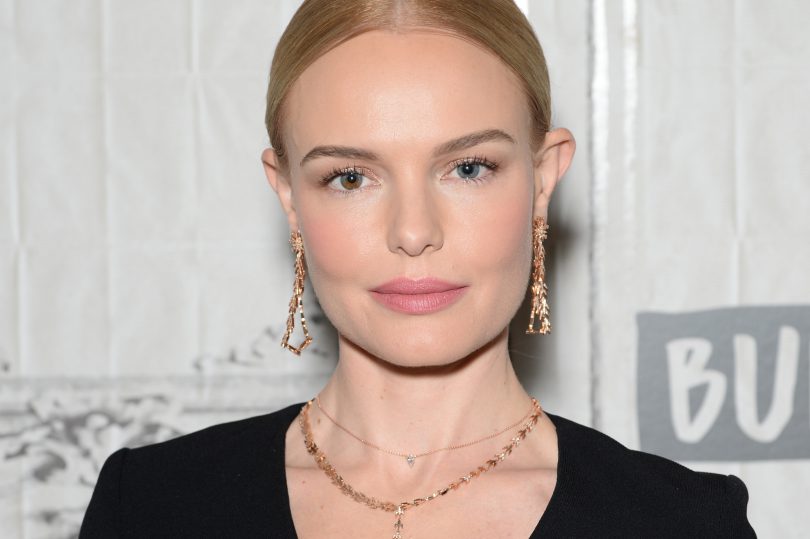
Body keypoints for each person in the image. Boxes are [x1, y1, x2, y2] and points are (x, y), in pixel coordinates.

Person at [79, 1, 757, 537]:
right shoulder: (151, 506)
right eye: (350, 177)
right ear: (288, 196)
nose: (412, 232)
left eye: (469, 168)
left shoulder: (681, 523)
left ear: (543, 180)